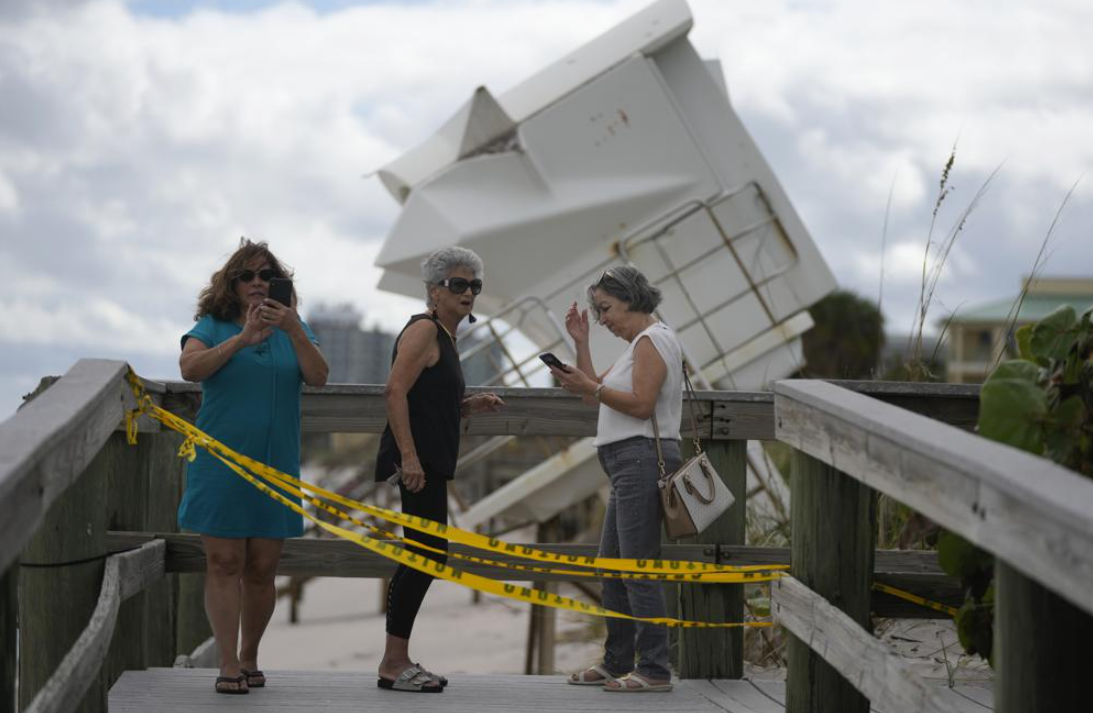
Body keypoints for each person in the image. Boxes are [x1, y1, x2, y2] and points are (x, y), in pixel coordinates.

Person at [178, 238, 329, 694]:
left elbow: (319, 376)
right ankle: (227, 664)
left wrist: (295, 330)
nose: (258, 283)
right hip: (219, 464)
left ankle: (249, 657)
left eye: (267, 275)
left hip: (276, 466)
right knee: (224, 562)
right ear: (232, 283)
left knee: (263, 568)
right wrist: (243, 339)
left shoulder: (294, 328)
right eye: (248, 275)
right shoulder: (213, 324)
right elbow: (190, 368)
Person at [374, 246, 504, 693]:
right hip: (420, 463)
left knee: (425, 555)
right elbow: (394, 391)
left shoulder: (446, 338)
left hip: (431, 460)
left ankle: (397, 658)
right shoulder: (425, 329)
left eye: (474, 285)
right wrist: (409, 458)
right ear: (434, 291)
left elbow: (426, 397)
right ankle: (393, 663)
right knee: (424, 556)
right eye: (458, 284)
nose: (469, 292)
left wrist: (468, 406)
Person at [549, 266, 683, 693]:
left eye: (606, 309)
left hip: (640, 458)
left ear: (631, 299)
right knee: (612, 566)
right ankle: (618, 660)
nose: (603, 318)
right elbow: (593, 394)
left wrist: (592, 385)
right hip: (626, 461)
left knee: (636, 568)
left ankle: (655, 669)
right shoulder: (636, 347)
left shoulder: (653, 340)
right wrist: (581, 343)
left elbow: (641, 405)